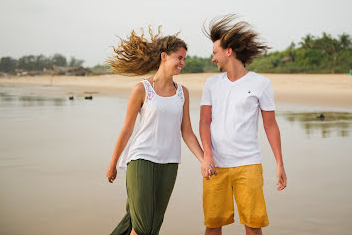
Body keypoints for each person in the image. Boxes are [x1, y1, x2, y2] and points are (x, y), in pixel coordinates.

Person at [106, 27, 204, 235]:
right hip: (141, 158)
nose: (182, 63)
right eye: (179, 57)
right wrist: (113, 163)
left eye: (184, 59)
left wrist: (204, 159)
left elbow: (187, 131)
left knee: (150, 227)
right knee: (142, 228)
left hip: (169, 163)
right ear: (164, 56)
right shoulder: (142, 89)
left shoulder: (182, 93)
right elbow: (127, 130)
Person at [199, 15, 287, 235]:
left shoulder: (261, 83)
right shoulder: (211, 84)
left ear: (228, 52)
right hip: (215, 166)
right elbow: (204, 121)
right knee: (212, 225)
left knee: (253, 226)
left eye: (214, 53)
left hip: (248, 164)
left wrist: (279, 164)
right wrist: (207, 155)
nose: (213, 59)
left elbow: (270, 126)